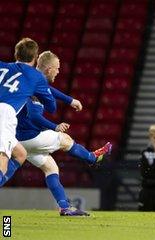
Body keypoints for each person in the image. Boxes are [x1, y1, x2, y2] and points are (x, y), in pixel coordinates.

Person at [14, 51, 112, 216]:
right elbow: (34, 116)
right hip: (29, 137)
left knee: (51, 168)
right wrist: (55, 127)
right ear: (49, 69)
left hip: (19, 141)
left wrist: (70, 100)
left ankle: (64, 207)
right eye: (57, 68)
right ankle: (93, 158)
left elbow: (48, 90)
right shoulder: (33, 88)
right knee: (64, 139)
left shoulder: (31, 81)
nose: (59, 72)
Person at [0, 38, 56, 187]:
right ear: (35, 57)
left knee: (20, 154)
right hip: (4, 114)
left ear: (16, 54)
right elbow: (51, 106)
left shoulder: (2, 66)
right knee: (3, 159)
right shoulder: (36, 76)